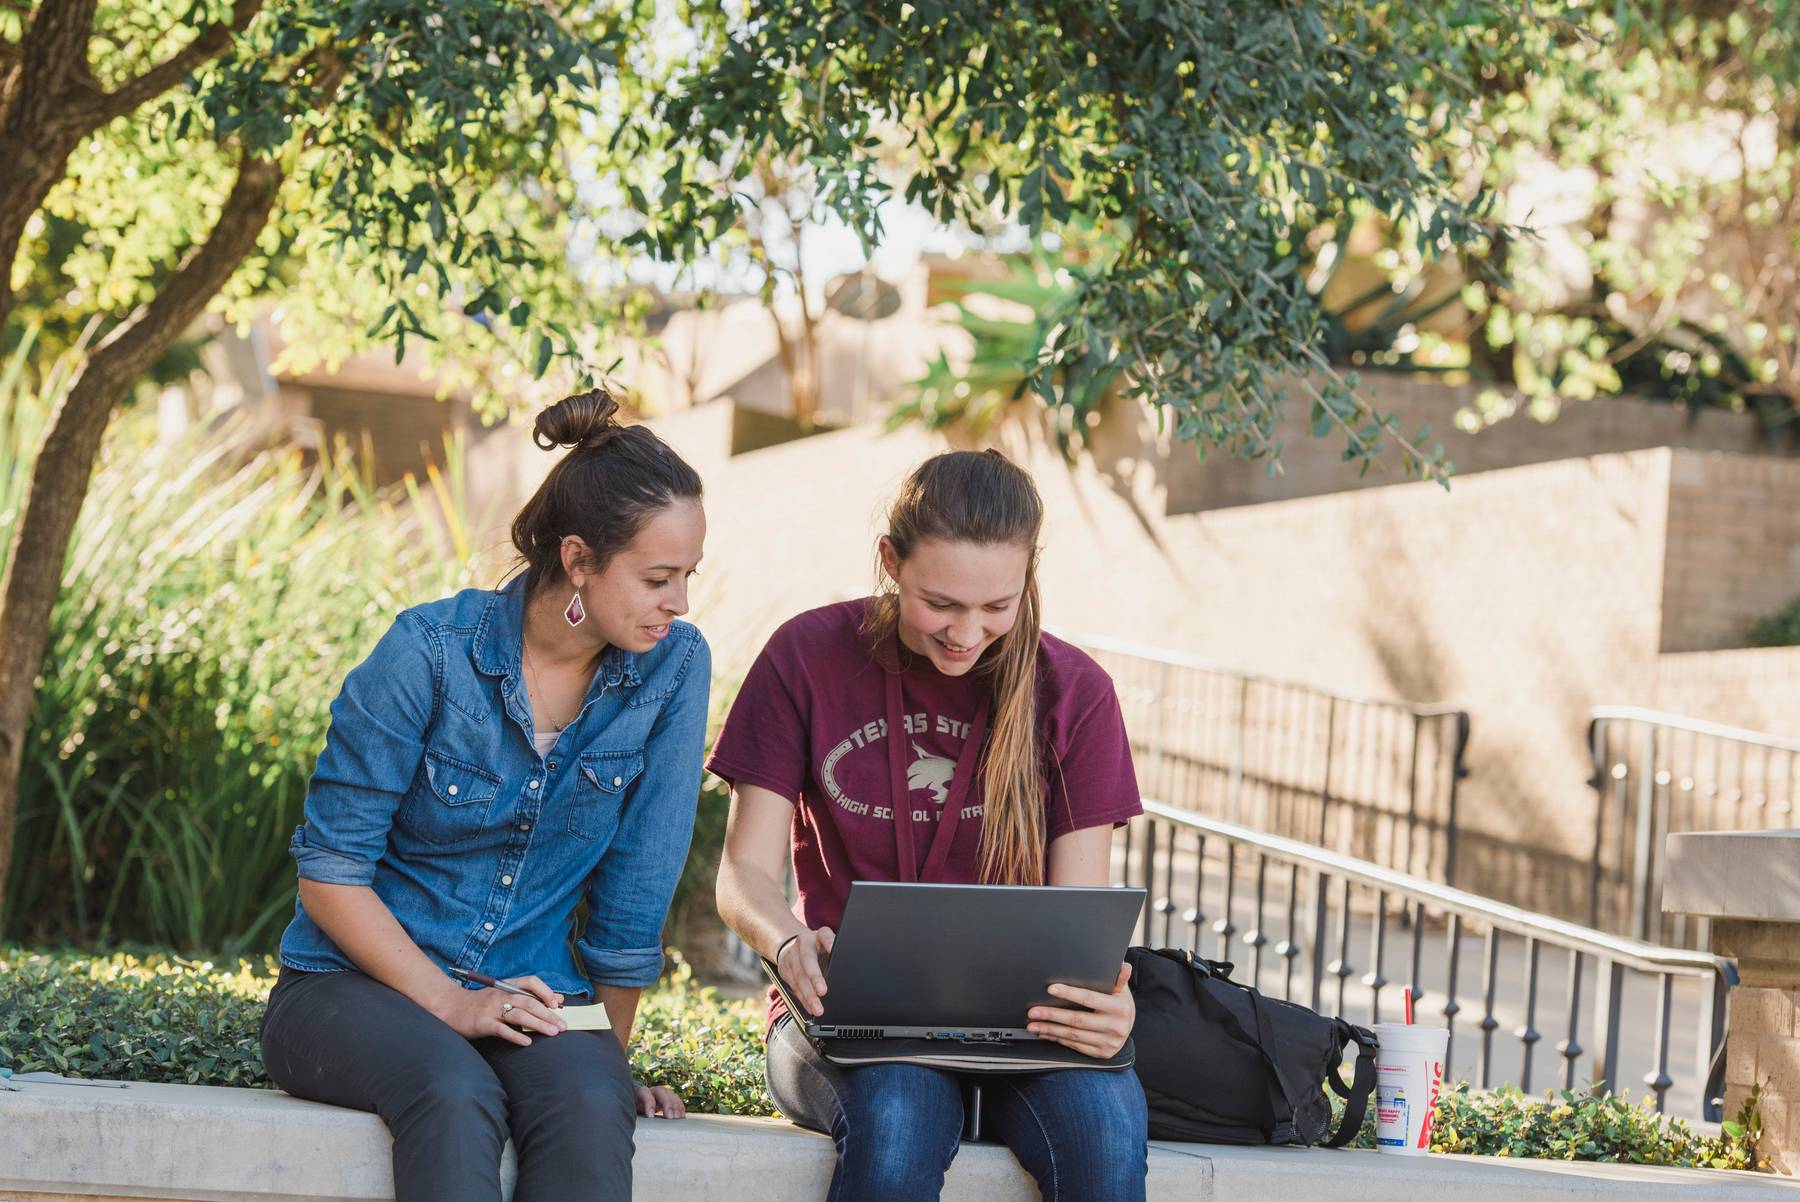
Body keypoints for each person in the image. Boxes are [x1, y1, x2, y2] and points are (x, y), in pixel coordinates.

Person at [259, 389, 710, 1202]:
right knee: (454, 1091)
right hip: (347, 988)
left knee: (586, 1102)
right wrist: (452, 1003)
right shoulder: (428, 654)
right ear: (578, 561)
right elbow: (330, 875)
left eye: (687, 577)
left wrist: (609, 1062)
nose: (679, 602)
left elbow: (638, 887)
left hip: (537, 991)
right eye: (657, 578)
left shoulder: (673, 666)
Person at [710, 449, 1149, 1202]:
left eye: (996, 607)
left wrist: (1107, 1008)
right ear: (890, 560)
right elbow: (742, 874)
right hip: (845, 1020)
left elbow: (1079, 917)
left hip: (1027, 1033)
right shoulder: (805, 656)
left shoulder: (1076, 694)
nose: (966, 632)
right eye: (940, 603)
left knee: (1104, 1136)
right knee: (898, 1119)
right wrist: (786, 944)